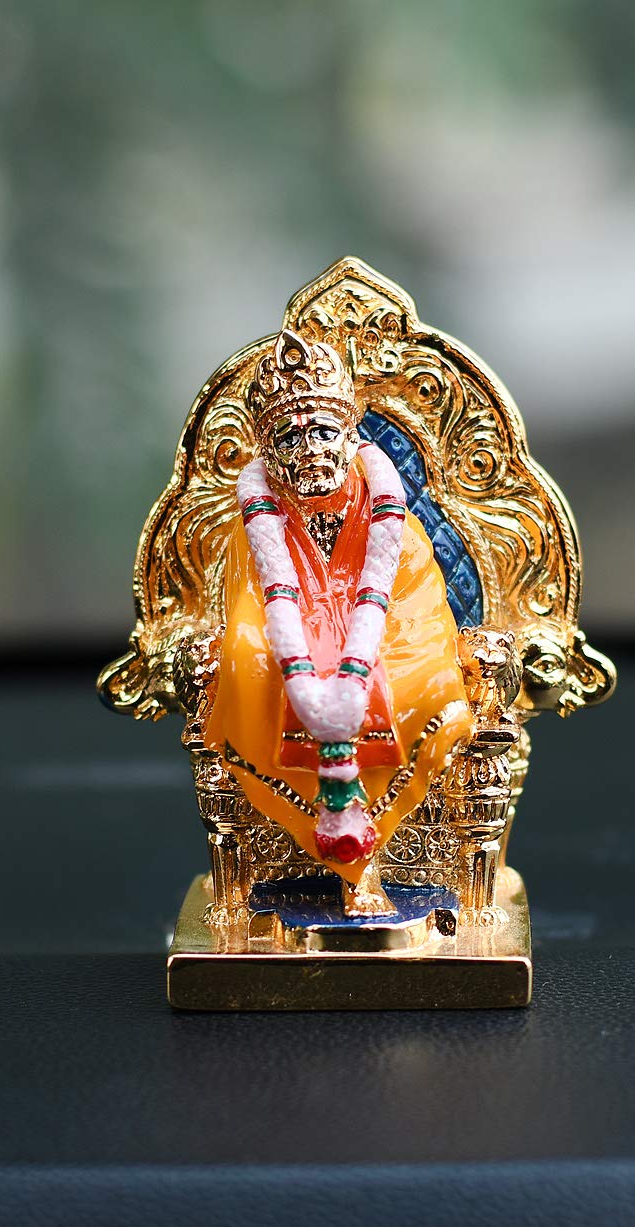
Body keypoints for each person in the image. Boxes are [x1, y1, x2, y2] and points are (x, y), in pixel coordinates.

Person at [202, 327, 471, 906]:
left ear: (350, 436)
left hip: (386, 642)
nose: (310, 449)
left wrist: (362, 656)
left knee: (428, 684)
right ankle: (331, 851)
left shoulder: (391, 518)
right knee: (247, 664)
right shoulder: (256, 526)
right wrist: (295, 655)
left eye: (323, 431)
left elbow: (421, 607)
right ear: (270, 452)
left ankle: (365, 843)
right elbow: (247, 607)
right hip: (287, 649)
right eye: (291, 437)